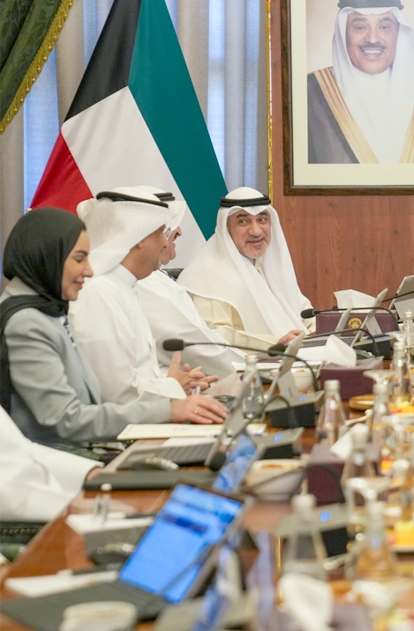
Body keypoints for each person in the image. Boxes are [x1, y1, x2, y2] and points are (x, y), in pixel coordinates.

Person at [0, 208, 226, 449]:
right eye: (79, 259)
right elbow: (68, 419)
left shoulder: (46, 307)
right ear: (46, 256)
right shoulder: (27, 323)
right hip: (62, 459)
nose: (89, 270)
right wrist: (169, 409)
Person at [70, 189, 215, 404]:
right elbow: (117, 393)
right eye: (161, 233)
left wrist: (179, 383)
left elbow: (137, 376)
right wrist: (172, 386)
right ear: (139, 237)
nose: (165, 243)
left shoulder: (123, 287)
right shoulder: (99, 293)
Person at [307, 0, 414, 164]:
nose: (373, 39)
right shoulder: (310, 91)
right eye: (360, 27)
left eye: (384, 27)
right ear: (344, 34)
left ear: (398, 34)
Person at [179, 187, 315, 349]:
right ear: (226, 227)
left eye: (262, 220)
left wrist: (322, 329)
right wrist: (274, 343)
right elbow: (215, 334)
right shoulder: (207, 272)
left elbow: (304, 313)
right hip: (248, 361)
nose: (256, 231)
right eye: (243, 222)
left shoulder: (268, 265)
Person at [134, 189, 240, 379]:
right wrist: (248, 367)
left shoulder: (155, 276)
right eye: (166, 227)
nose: (179, 231)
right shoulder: (143, 282)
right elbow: (192, 344)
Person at [0, 408, 98, 523]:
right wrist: (66, 505)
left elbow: (24, 449)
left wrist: (89, 472)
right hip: (21, 516)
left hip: (47, 501)